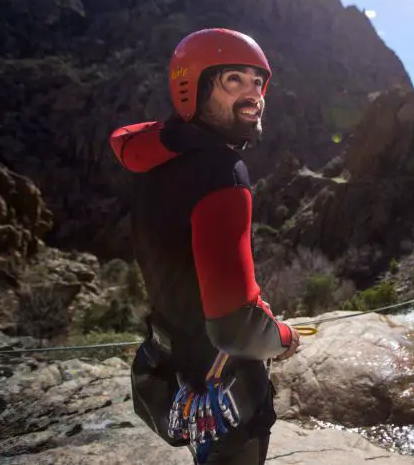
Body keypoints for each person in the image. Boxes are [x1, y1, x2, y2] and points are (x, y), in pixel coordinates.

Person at [108, 28, 301, 464]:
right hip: (224, 380)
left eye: (258, 82)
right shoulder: (222, 173)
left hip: (173, 356)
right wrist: (283, 337)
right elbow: (235, 326)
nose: (254, 94)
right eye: (234, 80)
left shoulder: (155, 159)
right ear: (190, 88)